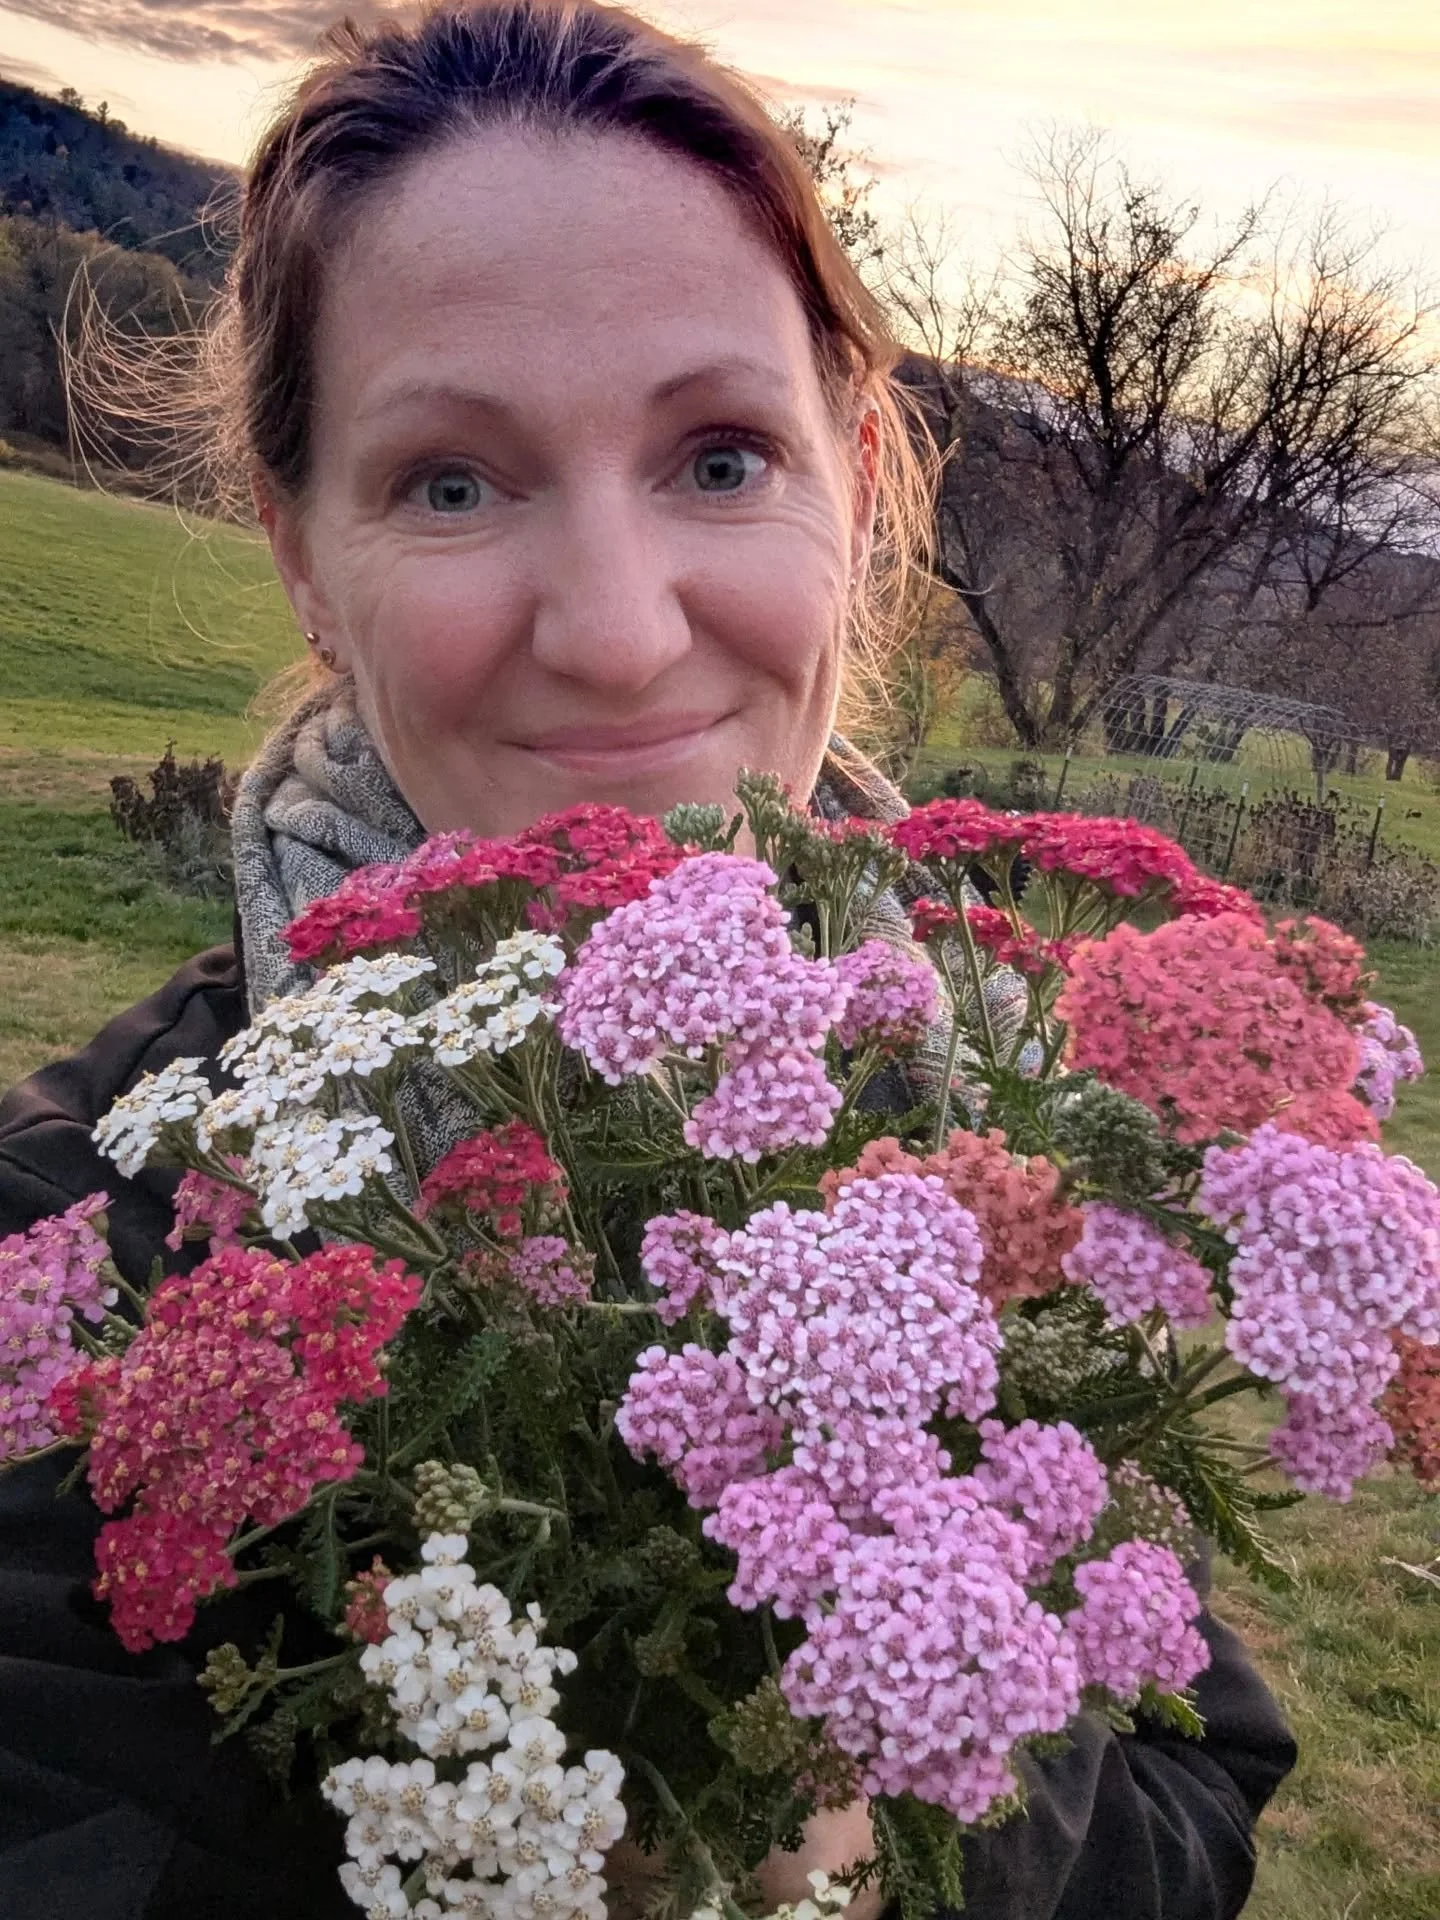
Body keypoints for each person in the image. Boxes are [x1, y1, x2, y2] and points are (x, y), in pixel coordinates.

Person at [0, 6, 1296, 1918]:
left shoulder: (988, 1122)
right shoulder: (84, 1267)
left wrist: (879, 1808)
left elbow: (1205, 1793)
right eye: (452, 481)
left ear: (851, 487)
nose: (617, 635)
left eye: (717, 456)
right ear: (298, 549)